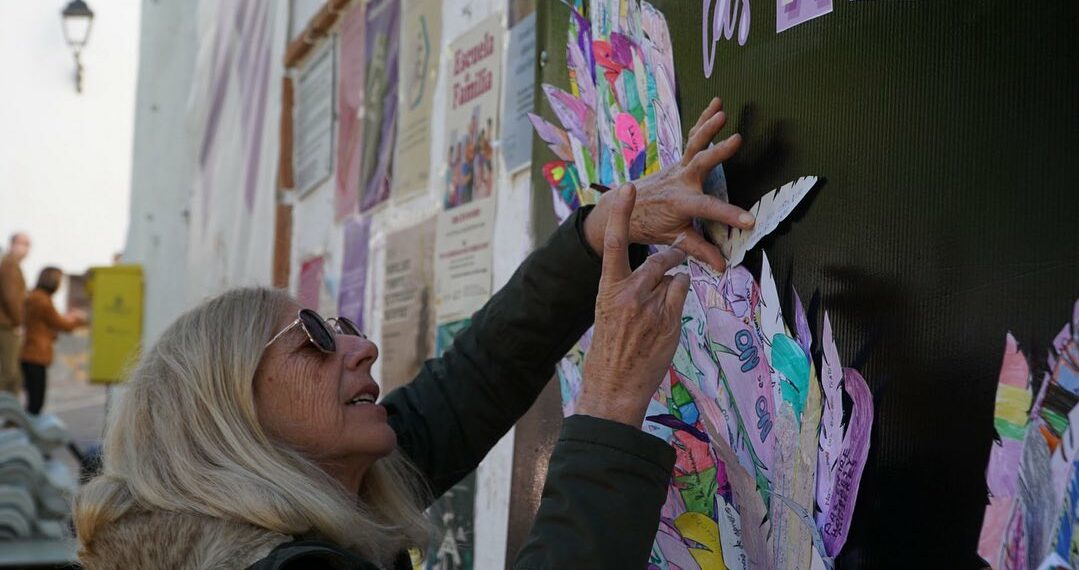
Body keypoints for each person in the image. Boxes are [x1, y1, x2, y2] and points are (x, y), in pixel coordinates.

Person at [73, 99, 753, 569]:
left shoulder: (317, 498)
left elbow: (473, 381)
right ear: (230, 420)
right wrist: (606, 406)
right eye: (312, 335)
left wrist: (599, 232)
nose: (360, 346)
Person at [20, 267, 86, 415]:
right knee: (36, 401)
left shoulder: (33, 297)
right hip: (37, 354)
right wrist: (78, 319)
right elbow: (63, 325)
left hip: (28, 351)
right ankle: (31, 433)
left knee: (32, 398)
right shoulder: (43, 300)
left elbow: (41, 324)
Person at [0, 232, 30, 395]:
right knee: (9, 374)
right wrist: (18, 322)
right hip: (7, 325)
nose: (26, 249)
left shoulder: (11, 264)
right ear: (12, 244)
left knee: (14, 376)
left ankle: (11, 416)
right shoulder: (10, 265)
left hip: (8, 323)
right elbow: (10, 297)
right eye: (23, 243)